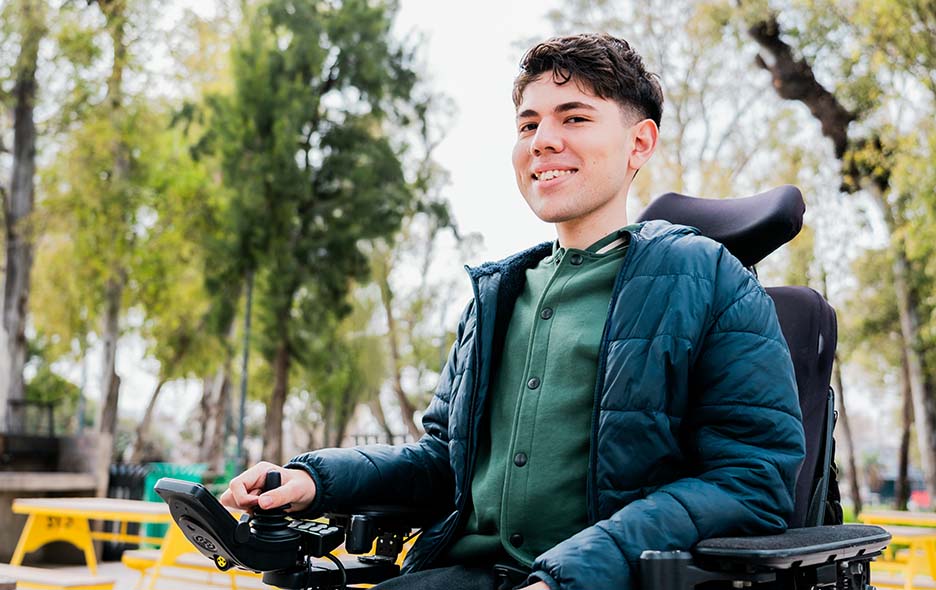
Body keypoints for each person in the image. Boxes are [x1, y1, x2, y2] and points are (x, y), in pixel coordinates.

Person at [221, 33, 806, 590]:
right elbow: (442, 463)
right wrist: (312, 480)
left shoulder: (712, 283)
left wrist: (572, 574)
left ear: (639, 143)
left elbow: (751, 480)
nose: (542, 141)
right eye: (529, 124)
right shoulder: (496, 296)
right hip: (463, 573)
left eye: (574, 118)